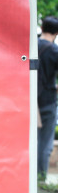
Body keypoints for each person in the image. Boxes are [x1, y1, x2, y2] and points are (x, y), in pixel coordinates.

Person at [37, 16, 58, 181]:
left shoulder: (31, 46)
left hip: (28, 100)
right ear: (56, 33)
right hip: (47, 102)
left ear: (42, 28)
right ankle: (40, 180)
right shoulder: (54, 51)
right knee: (45, 144)